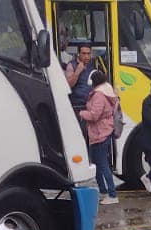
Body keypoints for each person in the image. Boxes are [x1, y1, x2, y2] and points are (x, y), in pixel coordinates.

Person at [79, 70, 121, 205]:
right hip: (102, 131)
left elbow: (94, 115)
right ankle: (103, 191)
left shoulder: (99, 95)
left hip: (100, 133)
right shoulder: (108, 90)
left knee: (102, 165)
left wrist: (82, 113)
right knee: (97, 164)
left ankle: (112, 194)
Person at [64, 43, 96, 112]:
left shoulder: (94, 63)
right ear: (78, 54)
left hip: (93, 103)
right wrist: (77, 71)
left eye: (88, 54)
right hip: (78, 104)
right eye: (83, 54)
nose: (86, 56)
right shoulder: (71, 65)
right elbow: (69, 85)